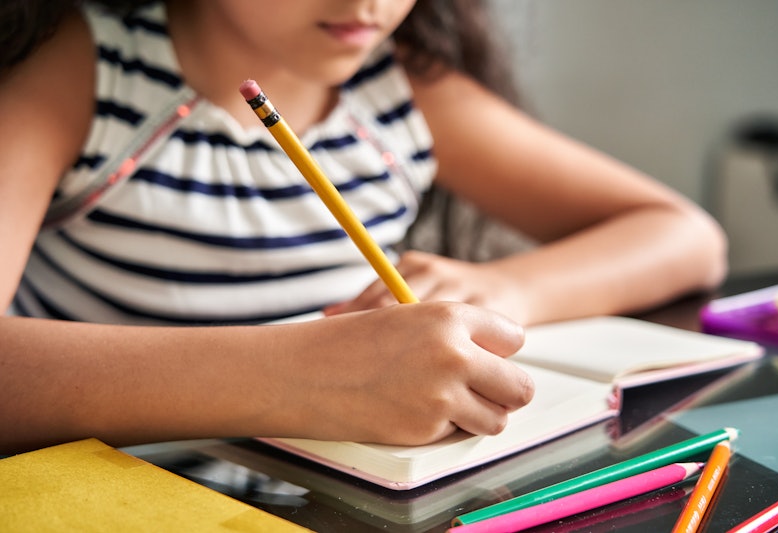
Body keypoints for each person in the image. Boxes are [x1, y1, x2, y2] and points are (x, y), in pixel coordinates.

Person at [0, 0, 726, 455]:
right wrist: (301, 376)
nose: (368, 2)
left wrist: (500, 287)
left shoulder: (396, 87)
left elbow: (685, 236)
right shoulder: (87, 70)